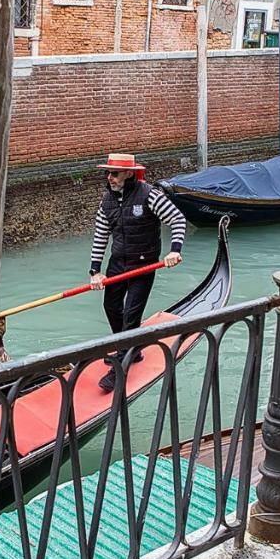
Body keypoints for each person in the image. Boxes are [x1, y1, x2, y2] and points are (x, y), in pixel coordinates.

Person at [88, 153, 186, 393]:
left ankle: (119, 367)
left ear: (129, 174)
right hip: (118, 263)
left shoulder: (149, 195)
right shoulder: (107, 201)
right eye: (107, 173)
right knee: (111, 307)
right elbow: (101, 236)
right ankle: (132, 348)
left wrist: (175, 250)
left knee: (132, 314)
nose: (109, 178)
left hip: (144, 265)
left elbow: (177, 219)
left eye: (114, 173)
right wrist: (95, 271)